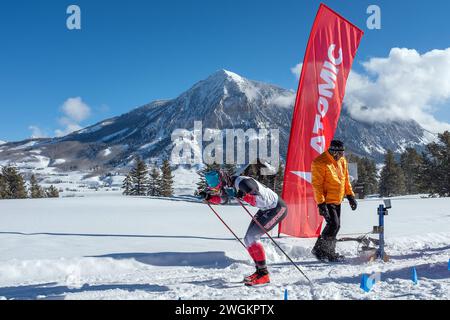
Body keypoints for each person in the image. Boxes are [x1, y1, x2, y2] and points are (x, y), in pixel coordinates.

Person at [199, 169, 288, 286]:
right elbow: (224, 199)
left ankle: (264, 274)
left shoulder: (243, 183)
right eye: (214, 189)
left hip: (277, 208)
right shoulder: (228, 185)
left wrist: (242, 195)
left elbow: (258, 197)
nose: (217, 190)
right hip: (266, 209)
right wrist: (209, 197)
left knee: (253, 236)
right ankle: (259, 271)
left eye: (217, 187)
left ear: (223, 180)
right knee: (247, 239)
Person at [311, 140, 358, 262]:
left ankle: (325, 251)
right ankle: (322, 251)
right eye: (341, 153)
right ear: (334, 151)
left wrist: (350, 196)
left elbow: (345, 179)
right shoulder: (320, 162)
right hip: (326, 200)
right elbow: (317, 185)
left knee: (336, 226)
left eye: (343, 153)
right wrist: (321, 204)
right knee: (333, 224)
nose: (343, 155)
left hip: (337, 199)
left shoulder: (341, 160)